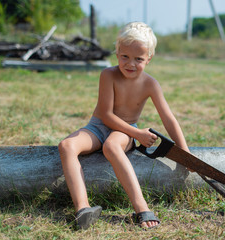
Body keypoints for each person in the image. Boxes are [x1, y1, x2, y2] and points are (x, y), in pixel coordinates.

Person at [58, 21, 190, 230]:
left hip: (123, 132)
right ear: (117, 53)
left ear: (149, 59)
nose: (130, 63)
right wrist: (138, 134)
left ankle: (141, 208)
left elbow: (168, 118)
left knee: (112, 146)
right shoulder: (108, 75)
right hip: (98, 127)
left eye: (138, 59)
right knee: (66, 146)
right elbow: (106, 115)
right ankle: (83, 209)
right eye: (125, 57)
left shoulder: (150, 84)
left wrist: (185, 153)